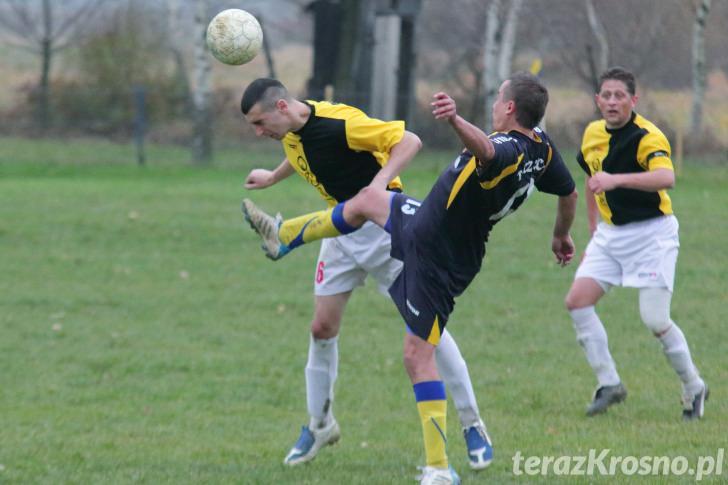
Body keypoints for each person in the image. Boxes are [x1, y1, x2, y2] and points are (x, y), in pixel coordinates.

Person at [243, 73, 578, 484]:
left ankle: (459, 441)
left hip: (436, 248)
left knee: (421, 347)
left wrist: (454, 121)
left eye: (498, 98)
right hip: (417, 222)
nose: (493, 103)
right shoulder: (542, 147)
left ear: (509, 108)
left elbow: (484, 150)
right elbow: (569, 191)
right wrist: (561, 234)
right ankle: (285, 238)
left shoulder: (509, 146)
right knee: (356, 228)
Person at [564, 66, 708, 420]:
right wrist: (594, 229)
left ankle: (694, 386)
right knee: (577, 302)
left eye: (620, 96)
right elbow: (593, 181)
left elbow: (667, 177)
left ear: (633, 100)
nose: (612, 102)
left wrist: (617, 180)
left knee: (654, 319)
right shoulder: (592, 133)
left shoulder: (648, 135)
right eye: (606, 96)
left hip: (653, 235)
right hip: (611, 236)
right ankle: (609, 383)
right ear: (597, 100)